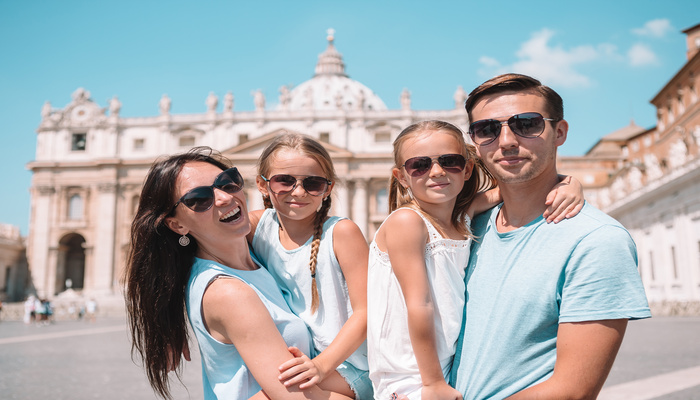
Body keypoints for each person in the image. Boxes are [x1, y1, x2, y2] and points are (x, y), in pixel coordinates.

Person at [450, 73, 651, 399]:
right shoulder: (464, 228)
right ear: (474, 141)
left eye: (526, 124)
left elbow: (572, 391)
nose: (506, 141)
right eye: (486, 129)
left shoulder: (596, 241)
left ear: (559, 132)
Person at [367, 120, 584, 400]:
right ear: (402, 176)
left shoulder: (462, 217)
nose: (436, 172)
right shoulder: (407, 222)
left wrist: (569, 183)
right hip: (409, 374)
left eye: (450, 161)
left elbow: (515, 189)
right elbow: (419, 304)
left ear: (467, 169)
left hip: (443, 365)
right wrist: (432, 383)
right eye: (419, 165)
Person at [124, 147, 352, 400]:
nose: (224, 198)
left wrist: (166, 320)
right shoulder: (229, 293)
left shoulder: (254, 253)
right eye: (199, 199)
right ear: (177, 225)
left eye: (228, 183)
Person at [249, 133, 372, 399]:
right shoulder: (257, 226)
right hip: (302, 361)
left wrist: (320, 365)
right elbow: (198, 233)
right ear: (262, 184)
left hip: (351, 366)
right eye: (285, 181)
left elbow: (366, 312)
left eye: (313, 183)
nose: (299, 191)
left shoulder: (342, 232)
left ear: (328, 188)